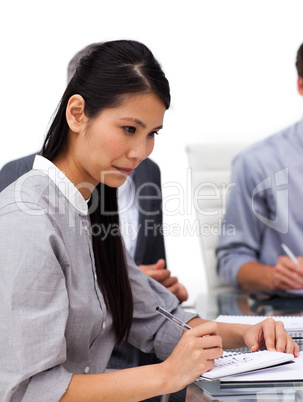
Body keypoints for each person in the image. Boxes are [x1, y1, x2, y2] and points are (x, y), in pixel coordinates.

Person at [0, 40, 298, 401]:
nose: (141, 152)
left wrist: (248, 334)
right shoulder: (26, 219)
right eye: (129, 129)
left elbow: (155, 318)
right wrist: (166, 377)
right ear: (77, 113)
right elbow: (28, 391)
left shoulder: (91, 204)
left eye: (152, 134)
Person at [216, 42, 303, 291]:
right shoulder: (257, 162)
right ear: (300, 85)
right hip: (289, 313)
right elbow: (230, 260)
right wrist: (274, 276)